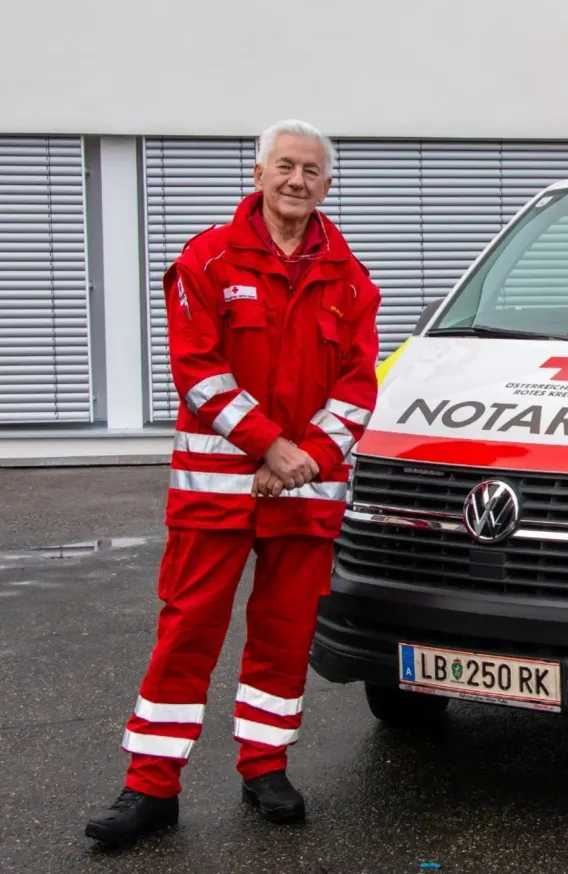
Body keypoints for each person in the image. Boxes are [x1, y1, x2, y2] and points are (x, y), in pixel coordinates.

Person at [86, 120, 381, 847]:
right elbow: (200, 372)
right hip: (216, 489)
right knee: (187, 632)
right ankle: (150, 788)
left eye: (311, 171)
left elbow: (357, 388)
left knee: (283, 637)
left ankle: (265, 768)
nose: (297, 181)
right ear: (257, 173)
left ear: (327, 185)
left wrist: (303, 458)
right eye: (285, 166)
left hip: (306, 492)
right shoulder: (208, 259)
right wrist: (271, 447)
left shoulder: (351, 279)